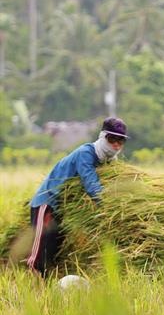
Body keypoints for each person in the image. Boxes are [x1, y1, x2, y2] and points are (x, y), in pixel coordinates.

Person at [27, 117, 128, 275]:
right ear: (103, 137)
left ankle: (47, 288)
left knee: (55, 249)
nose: (116, 144)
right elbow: (92, 185)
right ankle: (34, 288)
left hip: (63, 209)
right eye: (112, 139)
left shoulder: (108, 161)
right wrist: (111, 208)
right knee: (42, 249)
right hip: (47, 203)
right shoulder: (86, 154)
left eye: (120, 141)